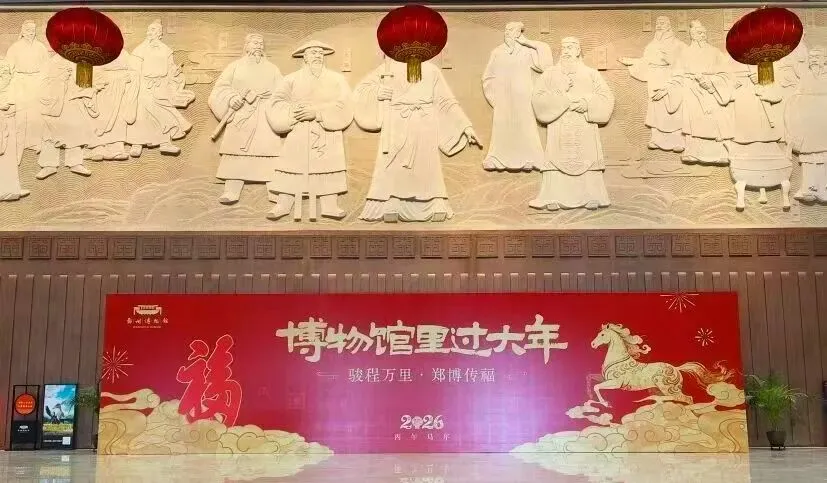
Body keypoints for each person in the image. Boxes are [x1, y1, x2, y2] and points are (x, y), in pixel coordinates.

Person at [353, 58, 482, 222]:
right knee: (395, 167)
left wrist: (465, 126)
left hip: (425, 124)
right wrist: (378, 92)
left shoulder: (432, 70)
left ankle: (435, 203)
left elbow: (446, 102)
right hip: (396, 123)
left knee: (426, 166)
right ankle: (391, 202)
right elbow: (361, 90)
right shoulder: (387, 68)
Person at [266, 40, 353, 221]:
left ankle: (330, 206)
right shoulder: (291, 79)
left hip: (326, 130)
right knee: (292, 166)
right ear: (304, 57)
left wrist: (318, 113)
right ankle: (283, 204)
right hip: (299, 129)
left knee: (328, 166)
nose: (317, 55)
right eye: (313, 52)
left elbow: (345, 103)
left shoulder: (337, 79)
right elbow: (276, 102)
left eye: (320, 53)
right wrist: (294, 112)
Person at [531, 36, 615, 211]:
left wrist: (587, 104)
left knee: (587, 158)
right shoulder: (549, 74)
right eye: (564, 48)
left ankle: (592, 196)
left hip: (583, 124)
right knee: (557, 159)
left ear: (578, 51)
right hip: (559, 124)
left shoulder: (591, 74)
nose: (566, 51)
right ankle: (553, 197)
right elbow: (537, 99)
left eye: (570, 47)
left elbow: (606, 97)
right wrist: (560, 93)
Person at [208, 33, 282, 205]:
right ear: (246, 46)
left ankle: (274, 190)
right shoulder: (235, 66)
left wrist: (273, 101)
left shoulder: (272, 69)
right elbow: (220, 88)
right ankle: (231, 191)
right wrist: (231, 98)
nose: (258, 46)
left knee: (269, 152)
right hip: (242, 115)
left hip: (265, 115)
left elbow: (282, 92)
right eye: (255, 43)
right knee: (236, 152)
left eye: (261, 43)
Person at [658, 20, 734, 165]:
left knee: (715, 121)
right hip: (691, 90)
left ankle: (721, 153)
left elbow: (726, 73)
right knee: (693, 123)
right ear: (692, 35)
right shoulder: (684, 53)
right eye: (699, 33)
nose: (703, 35)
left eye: (704, 33)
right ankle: (692, 152)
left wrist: (711, 82)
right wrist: (668, 88)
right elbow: (677, 74)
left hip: (711, 89)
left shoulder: (715, 52)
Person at [481, 21, 551, 171]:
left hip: (523, 97)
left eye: (511, 30)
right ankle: (497, 159)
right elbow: (488, 76)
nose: (507, 32)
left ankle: (530, 158)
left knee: (525, 126)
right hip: (503, 99)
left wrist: (529, 43)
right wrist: (494, 98)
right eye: (506, 30)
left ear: (519, 33)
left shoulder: (527, 51)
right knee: (502, 127)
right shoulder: (497, 52)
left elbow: (546, 66)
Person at [619, 16, 686, 152]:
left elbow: (685, 61)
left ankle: (678, 141)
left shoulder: (678, 44)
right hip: (655, 78)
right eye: (658, 23)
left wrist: (671, 59)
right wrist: (632, 62)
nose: (659, 25)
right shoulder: (652, 44)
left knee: (673, 110)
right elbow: (646, 61)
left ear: (669, 25)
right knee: (656, 109)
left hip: (671, 77)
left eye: (663, 23)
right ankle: (656, 139)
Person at [128, 20, 194, 157]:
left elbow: (170, 68)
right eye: (148, 30)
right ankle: (136, 144)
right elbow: (133, 69)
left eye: (152, 30)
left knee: (163, 111)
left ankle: (165, 143)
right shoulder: (140, 49)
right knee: (142, 115)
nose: (149, 32)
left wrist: (175, 72)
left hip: (161, 85)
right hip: (144, 85)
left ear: (159, 33)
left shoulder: (166, 50)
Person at [36, 55, 96, 180]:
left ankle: (75, 163)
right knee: (49, 133)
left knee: (75, 130)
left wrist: (87, 95)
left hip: (73, 103)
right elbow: (42, 82)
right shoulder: (52, 61)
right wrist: (59, 79)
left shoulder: (83, 62)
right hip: (55, 102)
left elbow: (85, 86)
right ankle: (48, 164)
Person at [5, 20, 51, 164]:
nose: (30, 32)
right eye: (28, 30)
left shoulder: (40, 47)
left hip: (37, 82)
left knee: (37, 115)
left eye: (32, 30)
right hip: (20, 83)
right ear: (23, 32)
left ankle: (35, 143)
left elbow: (47, 67)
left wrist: (43, 82)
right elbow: (8, 68)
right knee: (20, 116)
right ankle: (19, 148)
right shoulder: (15, 47)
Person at [787, 46, 827, 203]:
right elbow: (794, 98)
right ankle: (808, 187)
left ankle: (823, 188)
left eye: (817, 57)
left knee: (824, 155)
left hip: (823, 123)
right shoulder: (805, 77)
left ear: (825, 59)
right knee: (809, 156)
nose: (813, 60)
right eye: (811, 57)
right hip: (809, 124)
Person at [88, 50, 139, 162]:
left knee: (119, 118)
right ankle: (98, 148)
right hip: (99, 90)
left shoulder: (122, 52)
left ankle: (117, 148)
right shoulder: (88, 50)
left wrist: (128, 77)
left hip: (120, 90)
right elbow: (83, 75)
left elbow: (133, 71)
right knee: (98, 118)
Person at [0, 60, 28, 201]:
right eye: (1, 73)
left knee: (9, 157)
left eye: (6, 72)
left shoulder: (11, 87)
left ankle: (10, 189)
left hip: (9, 122)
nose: (4, 76)